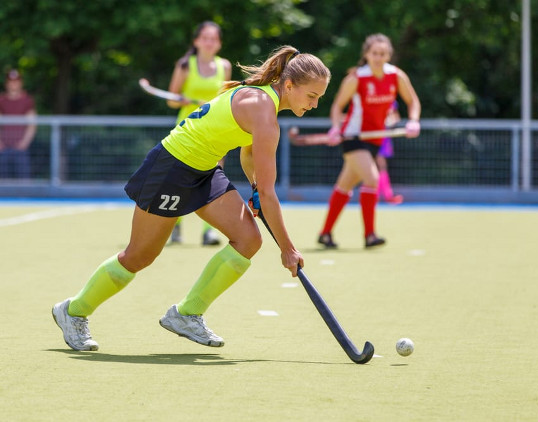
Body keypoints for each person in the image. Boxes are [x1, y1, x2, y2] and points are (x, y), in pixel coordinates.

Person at [52, 46, 331, 351]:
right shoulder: (263, 110)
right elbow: (268, 192)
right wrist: (288, 249)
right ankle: (73, 310)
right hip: (171, 166)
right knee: (139, 256)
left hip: (204, 170)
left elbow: (249, 154)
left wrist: (252, 189)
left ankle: (187, 314)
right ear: (289, 85)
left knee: (248, 240)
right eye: (312, 96)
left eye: (319, 97)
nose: (315, 104)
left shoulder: (265, 102)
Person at [318, 33, 421, 249]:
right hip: (354, 137)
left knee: (344, 185)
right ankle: (370, 235)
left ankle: (325, 234)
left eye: (383, 53)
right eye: (374, 53)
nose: (378, 57)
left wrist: (413, 121)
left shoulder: (396, 76)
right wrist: (336, 127)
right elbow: (337, 106)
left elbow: (412, 101)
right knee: (372, 179)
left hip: (375, 139)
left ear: (388, 55)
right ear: (366, 54)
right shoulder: (356, 78)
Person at [167, 21, 232, 246]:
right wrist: (181, 100)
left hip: (214, 130)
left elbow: (226, 98)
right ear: (196, 41)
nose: (209, 42)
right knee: (179, 180)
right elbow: (171, 100)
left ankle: (209, 232)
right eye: (205, 38)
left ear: (219, 43)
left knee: (212, 180)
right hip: (186, 131)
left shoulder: (224, 66)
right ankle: (173, 227)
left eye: (213, 38)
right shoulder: (185, 65)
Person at [0, 69, 37, 179]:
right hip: (3, 147)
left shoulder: (27, 100)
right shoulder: (1, 100)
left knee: (23, 181)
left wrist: (25, 142)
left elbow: (32, 124)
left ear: (21, 82)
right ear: (6, 83)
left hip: (21, 147)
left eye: (16, 81)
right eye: (11, 81)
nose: (13, 84)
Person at [376, 100, 403, 204]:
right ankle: (385, 195)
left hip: (384, 137)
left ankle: (380, 195)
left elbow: (396, 117)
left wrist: (390, 121)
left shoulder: (391, 101)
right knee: (379, 166)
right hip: (374, 135)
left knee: (381, 166)